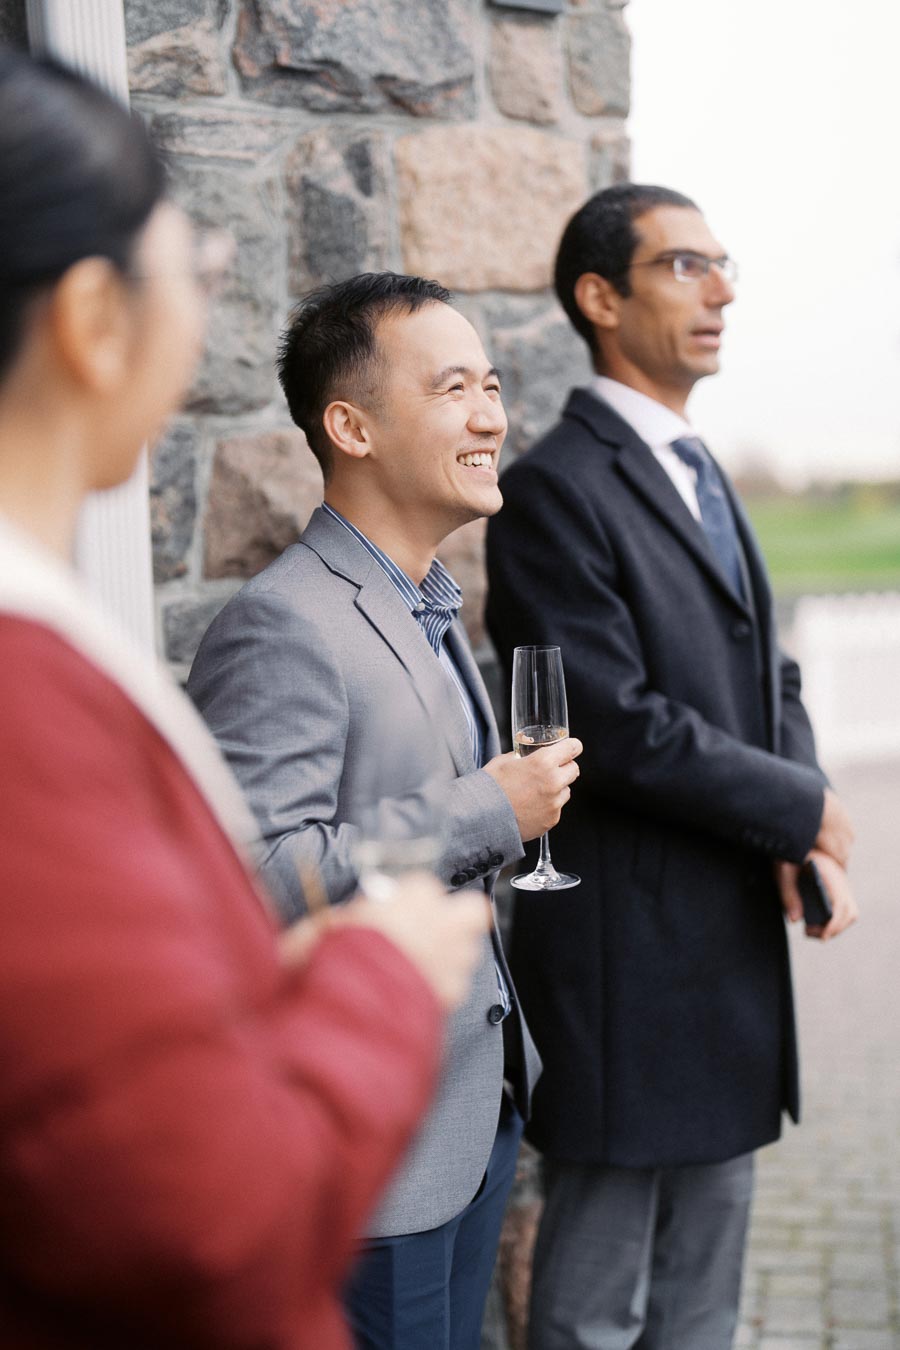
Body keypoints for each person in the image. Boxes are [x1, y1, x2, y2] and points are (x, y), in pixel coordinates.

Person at [0, 47, 492, 1350]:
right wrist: (382, 973)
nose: (488, 410)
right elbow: (193, 1209)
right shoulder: (31, 698)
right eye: (198, 273)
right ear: (95, 319)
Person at [486, 182, 858, 1350]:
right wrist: (801, 803)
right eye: (685, 267)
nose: (723, 291)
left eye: (723, 263)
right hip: (627, 972)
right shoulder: (553, 487)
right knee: (598, 1314)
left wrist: (795, 834)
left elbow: (771, 674)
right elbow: (616, 722)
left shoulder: (702, 468)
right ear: (600, 298)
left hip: (729, 956)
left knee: (702, 1309)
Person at [188, 271, 583, 1349]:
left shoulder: (430, 604)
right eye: (455, 387)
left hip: (470, 1112)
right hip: (370, 1160)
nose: (493, 415)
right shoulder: (284, 625)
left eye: (492, 385)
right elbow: (256, 876)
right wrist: (484, 809)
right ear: (350, 426)